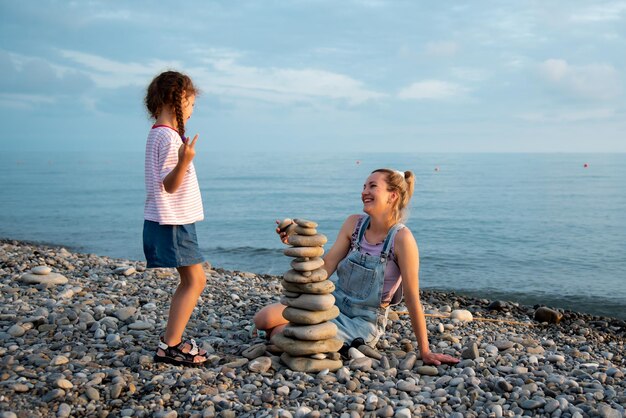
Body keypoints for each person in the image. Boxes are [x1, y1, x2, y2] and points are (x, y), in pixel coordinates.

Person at [254, 169, 459, 366]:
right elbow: (326, 267)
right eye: (363, 186)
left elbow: (413, 298)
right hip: (333, 306)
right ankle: (303, 340)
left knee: (281, 333)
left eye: (372, 186)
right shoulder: (354, 224)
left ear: (392, 196)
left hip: (363, 322)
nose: (364, 192)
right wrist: (297, 242)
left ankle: (322, 344)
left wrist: (425, 350)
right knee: (263, 319)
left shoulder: (402, 239)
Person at [142, 70, 208, 366]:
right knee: (195, 281)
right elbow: (169, 185)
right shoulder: (168, 139)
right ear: (177, 99)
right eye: (191, 105)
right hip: (172, 221)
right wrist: (185, 160)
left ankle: (171, 341)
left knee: (192, 280)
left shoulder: (158, 133)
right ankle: (170, 345)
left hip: (170, 220)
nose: (192, 112)